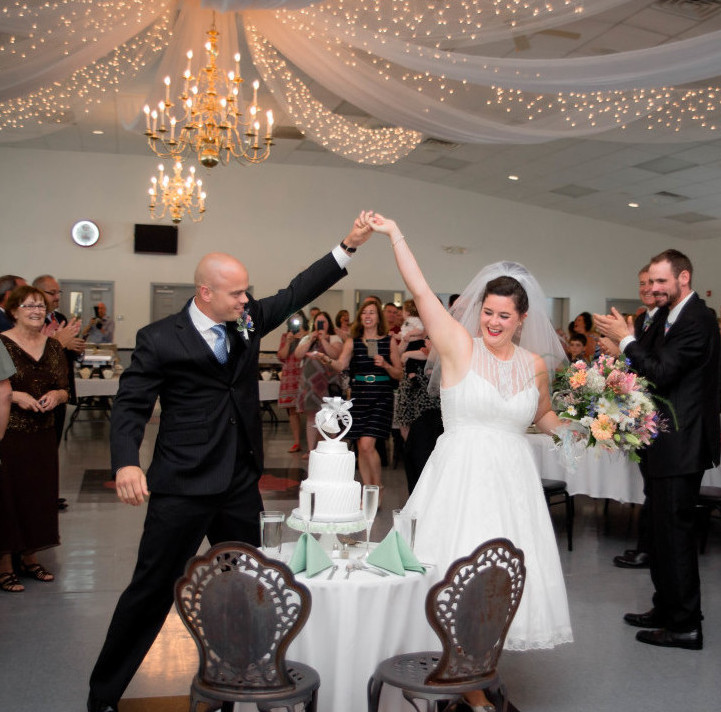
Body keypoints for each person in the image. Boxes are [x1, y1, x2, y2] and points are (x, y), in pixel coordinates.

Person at [86, 220, 372, 712]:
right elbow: (131, 405)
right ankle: (103, 694)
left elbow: (297, 290)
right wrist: (127, 463)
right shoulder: (158, 339)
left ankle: (241, 678)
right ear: (206, 293)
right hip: (181, 485)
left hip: (239, 482)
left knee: (247, 588)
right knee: (150, 591)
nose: (246, 300)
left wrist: (346, 248)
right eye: (237, 293)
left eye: (247, 292)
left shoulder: (248, 319)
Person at [366, 211, 572, 708]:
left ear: (523, 319)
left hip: (514, 485)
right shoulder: (459, 347)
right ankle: (474, 698)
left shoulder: (535, 365)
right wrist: (397, 234)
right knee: (458, 582)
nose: (494, 322)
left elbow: (544, 417)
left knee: (500, 593)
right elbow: (418, 289)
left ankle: (476, 683)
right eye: (489, 312)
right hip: (460, 481)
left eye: (505, 315)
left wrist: (594, 431)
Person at [595, 249, 719, 651]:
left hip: (682, 441)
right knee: (661, 535)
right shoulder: (667, 315)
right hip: (661, 441)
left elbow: (663, 371)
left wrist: (626, 339)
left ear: (684, 278)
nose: (654, 289)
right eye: (650, 281)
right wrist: (622, 347)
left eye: (662, 282)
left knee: (675, 536)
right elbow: (644, 363)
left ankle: (684, 625)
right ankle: (665, 608)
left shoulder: (698, 318)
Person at [0, 286, 69, 593]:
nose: (37, 311)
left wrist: (57, 394)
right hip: (10, 433)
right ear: (13, 311)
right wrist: (16, 396)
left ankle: (30, 558)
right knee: (8, 497)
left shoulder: (53, 347)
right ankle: (4, 564)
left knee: (38, 496)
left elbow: (66, 388)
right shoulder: (1, 344)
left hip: (43, 433)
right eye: (29, 305)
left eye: (40, 306)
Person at [600, 265, 657, 570]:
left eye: (652, 282)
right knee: (652, 491)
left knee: (658, 494)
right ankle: (647, 547)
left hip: (662, 421)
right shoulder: (647, 321)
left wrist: (624, 345)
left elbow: (654, 367)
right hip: (645, 419)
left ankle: (649, 549)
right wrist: (618, 350)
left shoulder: (660, 323)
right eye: (642, 283)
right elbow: (640, 366)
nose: (646, 288)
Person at [316, 299, 403, 489]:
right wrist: (325, 359)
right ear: (360, 317)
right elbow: (340, 365)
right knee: (361, 448)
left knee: (366, 445)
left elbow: (399, 373)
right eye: (364, 313)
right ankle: (367, 489)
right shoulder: (352, 342)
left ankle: (376, 487)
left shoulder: (388, 341)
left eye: (372, 312)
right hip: (360, 395)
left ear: (378, 318)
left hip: (381, 396)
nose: (368, 316)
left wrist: (386, 365)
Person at [295, 310, 344, 454]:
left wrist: (323, 339)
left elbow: (335, 354)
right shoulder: (307, 338)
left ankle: (331, 448)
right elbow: (298, 355)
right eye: (318, 321)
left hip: (329, 381)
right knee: (312, 415)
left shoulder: (334, 338)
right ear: (314, 323)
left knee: (330, 415)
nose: (321, 324)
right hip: (310, 383)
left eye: (324, 321)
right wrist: (311, 339)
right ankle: (311, 450)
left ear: (329, 323)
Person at [277, 310, 309, 453]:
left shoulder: (309, 335)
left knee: (309, 409)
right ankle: (297, 442)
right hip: (290, 374)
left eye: (298, 319)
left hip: (305, 374)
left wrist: (305, 336)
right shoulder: (286, 336)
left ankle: (311, 443)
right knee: (292, 409)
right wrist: (288, 342)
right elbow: (281, 356)